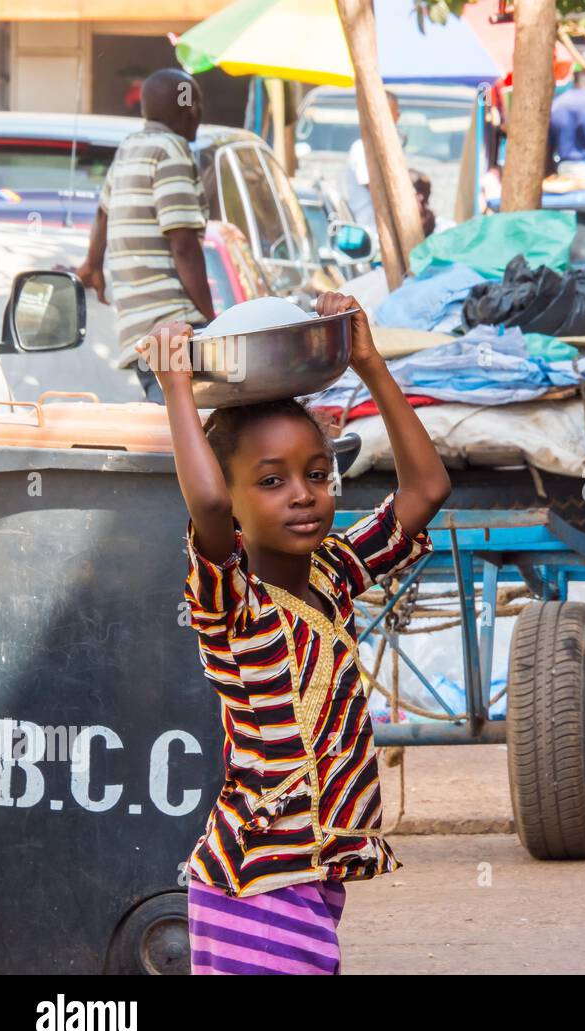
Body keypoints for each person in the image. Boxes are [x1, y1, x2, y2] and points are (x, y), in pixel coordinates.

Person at [147, 293, 451, 974]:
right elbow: (209, 507)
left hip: (310, 878)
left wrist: (369, 363)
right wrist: (177, 391)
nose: (305, 494)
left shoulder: (334, 574)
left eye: (317, 474)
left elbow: (426, 490)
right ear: (234, 496)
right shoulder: (232, 603)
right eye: (272, 481)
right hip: (256, 883)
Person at [75, 68, 215, 403]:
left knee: (170, 430)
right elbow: (182, 243)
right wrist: (211, 321)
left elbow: (103, 212)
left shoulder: (129, 149)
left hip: (140, 334)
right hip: (177, 329)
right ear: (191, 109)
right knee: (186, 434)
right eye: (196, 103)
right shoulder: (173, 151)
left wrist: (92, 265)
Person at [344, 90, 401, 229]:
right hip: (370, 231)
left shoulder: (392, 149)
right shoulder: (362, 149)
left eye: (391, 116)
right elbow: (377, 189)